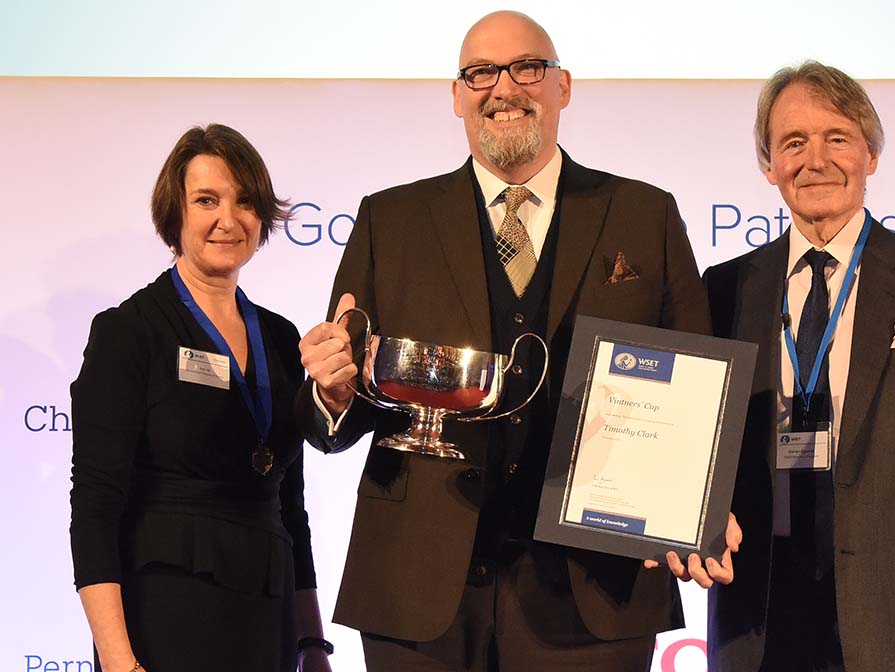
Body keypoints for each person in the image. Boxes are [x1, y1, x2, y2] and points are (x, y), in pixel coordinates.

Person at [295, 10, 736, 671]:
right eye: (480, 72)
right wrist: (331, 392)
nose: (504, 89)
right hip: (416, 586)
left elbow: (697, 395)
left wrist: (696, 507)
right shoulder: (390, 220)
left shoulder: (646, 215)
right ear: (456, 95)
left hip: (594, 586)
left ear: (562, 86)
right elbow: (343, 413)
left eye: (527, 67)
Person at [703, 61, 895, 672]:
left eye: (836, 138)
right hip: (758, 620)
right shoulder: (724, 289)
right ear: (769, 166)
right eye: (793, 142)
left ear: (870, 155)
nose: (814, 160)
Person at [70, 124, 333, 672]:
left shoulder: (283, 339)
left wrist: (311, 644)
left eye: (244, 202)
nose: (227, 219)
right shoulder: (130, 331)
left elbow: (292, 510)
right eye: (207, 200)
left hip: (267, 616)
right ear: (176, 212)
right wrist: (118, 661)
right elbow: (96, 508)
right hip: (163, 615)